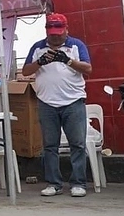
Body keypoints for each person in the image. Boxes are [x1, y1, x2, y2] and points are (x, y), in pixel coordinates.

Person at [22, 13, 92, 198]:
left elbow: (88, 69)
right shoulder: (37, 47)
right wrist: (40, 62)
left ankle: (78, 183)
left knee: (77, 144)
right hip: (47, 103)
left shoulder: (76, 45)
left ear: (66, 30)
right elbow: (26, 70)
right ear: (47, 31)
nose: (55, 36)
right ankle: (54, 183)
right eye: (52, 33)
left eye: (59, 33)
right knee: (49, 146)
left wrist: (67, 60)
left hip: (73, 101)